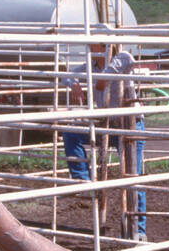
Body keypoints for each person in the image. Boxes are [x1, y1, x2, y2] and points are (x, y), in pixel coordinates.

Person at [61, 40, 146, 239]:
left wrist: (101, 75)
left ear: (106, 46)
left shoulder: (121, 57)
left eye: (94, 46)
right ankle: (82, 179)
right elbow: (67, 75)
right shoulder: (90, 66)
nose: (90, 49)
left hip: (129, 124)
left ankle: (139, 231)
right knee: (70, 132)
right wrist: (73, 83)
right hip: (107, 124)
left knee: (134, 178)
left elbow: (122, 64)